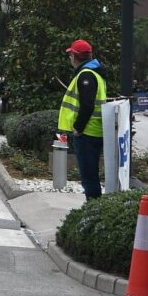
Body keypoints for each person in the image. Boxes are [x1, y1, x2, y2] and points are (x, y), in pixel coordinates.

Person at [58, 39, 108, 201]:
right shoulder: (94, 73)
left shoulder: (86, 75)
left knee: (89, 176)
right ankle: (94, 208)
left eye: (71, 55)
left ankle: (93, 210)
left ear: (74, 56)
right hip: (94, 131)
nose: (70, 58)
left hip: (87, 132)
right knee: (90, 174)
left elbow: (87, 105)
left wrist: (78, 128)